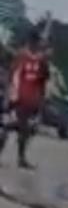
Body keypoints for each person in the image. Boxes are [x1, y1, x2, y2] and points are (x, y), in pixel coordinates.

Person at [0, 28, 50, 169]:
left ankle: (21, 159)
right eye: (36, 42)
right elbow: (13, 77)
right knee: (7, 128)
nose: (37, 45)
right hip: (18, 100)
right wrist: (11, 97)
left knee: (25, 131)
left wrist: (40, 100)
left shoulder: (41, 61)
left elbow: (42, 81)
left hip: (30, 101)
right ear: (31, 42)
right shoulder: (21, 57)